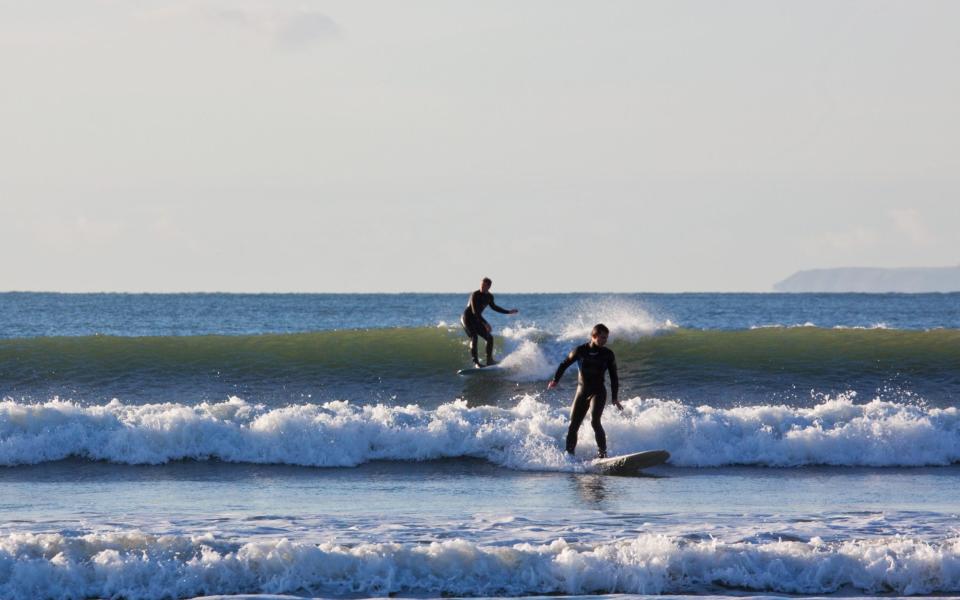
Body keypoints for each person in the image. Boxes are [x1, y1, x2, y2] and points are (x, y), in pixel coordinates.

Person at [548, 323, 622, 458]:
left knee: (595, 421)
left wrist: (615, 397)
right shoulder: (580, 351)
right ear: (593, 336)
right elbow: (564, 364)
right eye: (602, 338)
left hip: (598, 392)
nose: (604, 340)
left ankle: (602, 455)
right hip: (582, 391)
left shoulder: (608, 354)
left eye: (606, 338)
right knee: (573, 425)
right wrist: (555, 380)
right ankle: (569, 456)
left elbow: (614, 377)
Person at [461, 277, 518, 367]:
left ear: (489, 287)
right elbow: (474, 312)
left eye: (484, 286)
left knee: (490, 338)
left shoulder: (489, 297)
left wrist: (508, 312)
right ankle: (476, 363)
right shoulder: (475, 294)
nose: (482, 287)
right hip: (467, 318)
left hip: (476, 319)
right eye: (481, 285)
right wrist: (485, 323)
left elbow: (494, 307)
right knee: (474, 337)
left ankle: (489, 361)